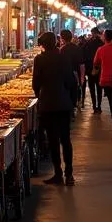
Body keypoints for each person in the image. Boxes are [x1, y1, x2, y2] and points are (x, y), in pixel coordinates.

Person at [32, 30, 80, 185]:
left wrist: (40, 95)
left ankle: (58, 173)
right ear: (56, 42)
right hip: (63, 103)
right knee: (66, 139)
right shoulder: (64, 58)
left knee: (53, 140)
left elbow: (36, 83)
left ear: (42, 45)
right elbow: (71, 81)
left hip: (48, 105)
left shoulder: (39, 59)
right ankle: (70, 174)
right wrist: (71, 100)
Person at [59, 29, 85, 115]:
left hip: (66, 76)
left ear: (62, 38)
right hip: (76, 76)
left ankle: (69, 111)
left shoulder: (62, 50)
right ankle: (72, 109)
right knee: (74, 93)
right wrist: (82, 78)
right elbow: (82, 64)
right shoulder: (77, 48)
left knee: (67, 93)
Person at [84, 28, 104, 112]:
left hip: (90, 69)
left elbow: (85, 55)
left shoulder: (88, 43)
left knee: (92, 88)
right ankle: (98, 105)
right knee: (99, 89)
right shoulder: (102, 44)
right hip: (99, 69)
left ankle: (94, 106)